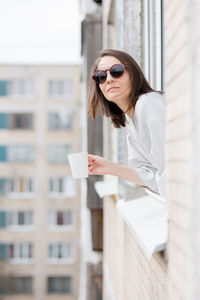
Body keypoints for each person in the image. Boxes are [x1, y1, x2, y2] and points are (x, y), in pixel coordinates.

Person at [87, 49, 165, 197]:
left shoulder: (149, 105)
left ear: (133, 73)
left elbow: (169, 174)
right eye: (101, 76)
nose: (108, 79)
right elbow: (151, 178)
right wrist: (109, 167)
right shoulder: (131, 120)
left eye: (116, 71)